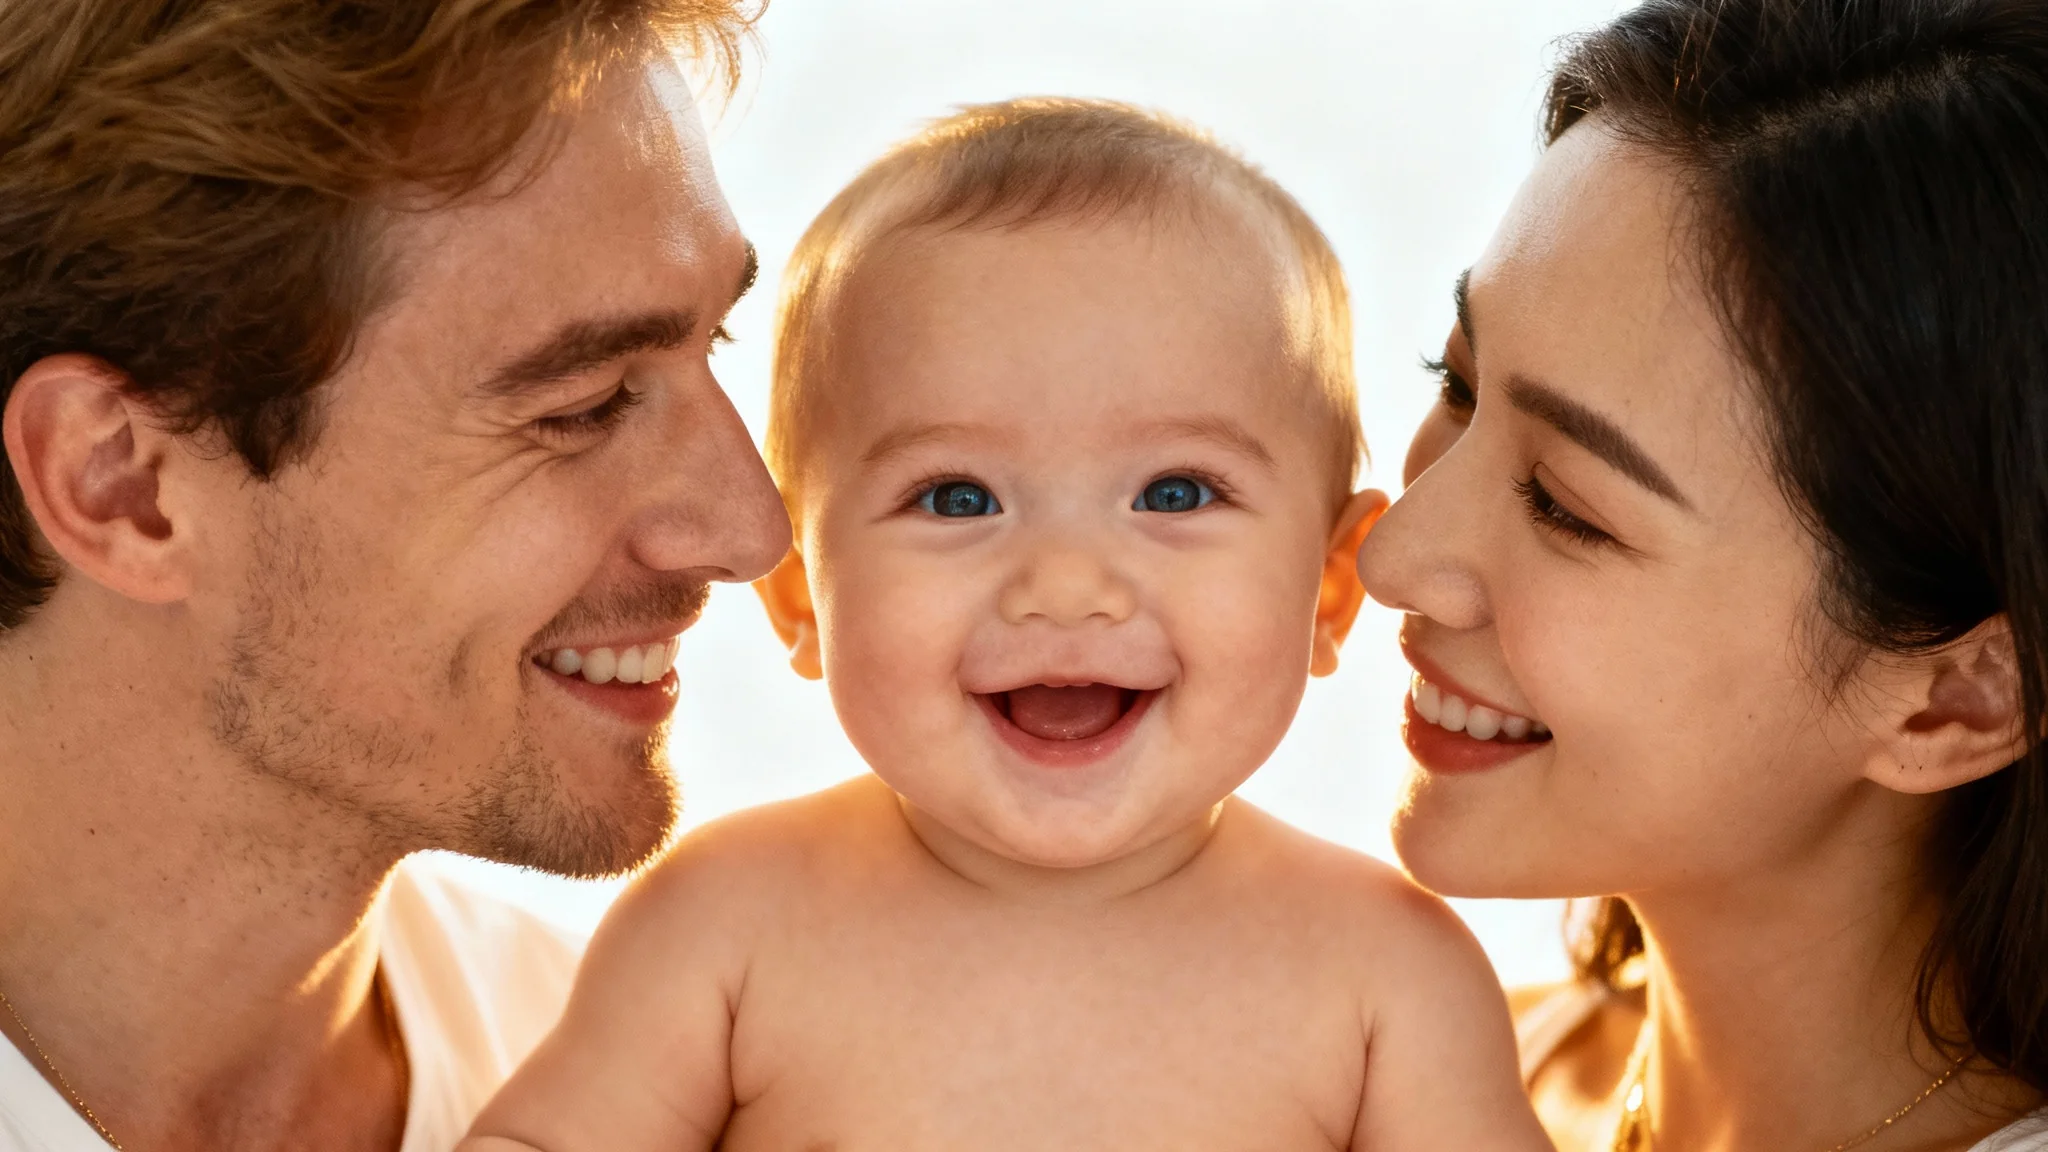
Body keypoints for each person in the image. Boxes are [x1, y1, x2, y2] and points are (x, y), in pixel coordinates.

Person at [458, 98, 1552, 1151]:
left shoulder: (1389, 983)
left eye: (1173, 493)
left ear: (1327, 591)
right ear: (800, 595)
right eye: (956, 498)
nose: (1064, 586)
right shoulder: (722, 924)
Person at [0, 1, 788, 1149]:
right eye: (584, 405)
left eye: (711, 343)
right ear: (122, 485)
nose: (753, 531)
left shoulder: (649, 1099)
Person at [1357, 0, 2048, 1148]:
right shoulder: (1412, 1084)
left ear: (1954, 699)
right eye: (1458, 384)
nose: (1389, 556)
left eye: (1565, 507)